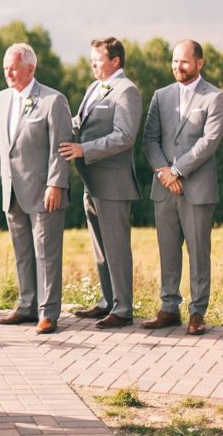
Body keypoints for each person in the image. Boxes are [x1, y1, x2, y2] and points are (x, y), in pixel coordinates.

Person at [141, 40, 223, 335]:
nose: (178, 67)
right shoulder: (160, 95)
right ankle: (168, 308)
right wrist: (164, 173)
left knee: (199, 252)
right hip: (164, 188)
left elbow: (209, 142)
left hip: (197, 189)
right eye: (175, 61)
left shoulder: (215, 97)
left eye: (185, 62)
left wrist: (177, 171)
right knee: (168, 251)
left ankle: (197, 312)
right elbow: (149, 139)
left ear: (200, 63)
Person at [0, 43, 72, 335]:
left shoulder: (53, 100)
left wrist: (56, 183)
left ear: (31, 68)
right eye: (5, 68)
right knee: (22, 252)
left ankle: (48, 312)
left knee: (46, 253)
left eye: (14, 68)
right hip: (11, 190)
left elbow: (60, 147)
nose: (8, 73)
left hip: (44, 191)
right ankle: (26, 306)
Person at [59, 37, 141, 329]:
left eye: (98, 59)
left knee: (116, 247)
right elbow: (79, 123)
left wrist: (84, 149)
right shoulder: (94, 88)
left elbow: (124, 136)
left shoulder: (127, 91)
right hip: (91, 181)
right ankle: (108, 301)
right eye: (91, 58)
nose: (92, 64)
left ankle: (123, 308)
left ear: (115, 61)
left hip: (113, 182)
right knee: (100, 248)